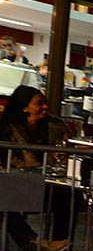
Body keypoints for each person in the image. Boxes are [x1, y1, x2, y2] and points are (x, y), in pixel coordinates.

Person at [0, 86, 73, 242]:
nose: (45, 107)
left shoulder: (56, 126)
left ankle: (62, 249)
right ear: (24, 107)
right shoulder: (6, 129)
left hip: (49, 187)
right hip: (17, 187)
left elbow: (67, 153)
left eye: (45, 102)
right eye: (39, 103)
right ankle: (30, 241)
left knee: (70, 194)